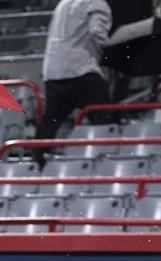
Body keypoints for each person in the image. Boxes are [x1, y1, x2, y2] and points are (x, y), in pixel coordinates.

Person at [35, 0, 113, 159]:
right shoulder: (96, 2)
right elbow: (97, 32)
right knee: (103, 119)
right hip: (80, 69)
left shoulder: (63, 3)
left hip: (54, 72)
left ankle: (38, 164)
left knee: (49, 124)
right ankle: (106, 161)